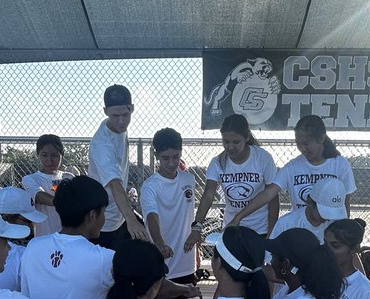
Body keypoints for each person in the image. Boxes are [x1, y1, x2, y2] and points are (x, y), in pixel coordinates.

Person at [229, 113, 356, 225]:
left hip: (328, 233)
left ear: (321, 139)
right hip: (300, 230)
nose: (302, 148)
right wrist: (238, 217)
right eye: (298, 143)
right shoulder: (293, 167)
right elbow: (268, 193)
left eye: (306, 143)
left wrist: (341, 233)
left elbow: (345, 203)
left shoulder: (340, 165)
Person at [188, 114, 278, 245]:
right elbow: (208, 195)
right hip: (232, 227)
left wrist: (271, 232)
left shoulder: (262, 158)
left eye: (236, 142)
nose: (230, 147)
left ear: (246, 137)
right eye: (226, 142)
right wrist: (197, 227)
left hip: (260, 228)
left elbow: (273, 197)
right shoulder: (217, 162)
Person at [89, 84, 148, 248]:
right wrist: (131, 220)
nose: (121, 121)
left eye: (125, 114)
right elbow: (115, 185)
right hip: (104, 222)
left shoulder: (119, 128)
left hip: (120, 213)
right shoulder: (102, 144)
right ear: (105, 111)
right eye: (115, 116)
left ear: (132, 108)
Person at [140, 127, 198, 284]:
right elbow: (151, 216)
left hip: (186, 258)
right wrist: (159, 244)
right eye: (165, 158)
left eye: (176, 157)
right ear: (156, 155)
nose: (172, 163)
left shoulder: (189, 179)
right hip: (162, 256)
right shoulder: (150, 185)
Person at [0, 186, 45, 293]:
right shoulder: (22, 255)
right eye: (27, 221)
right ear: (5, 218)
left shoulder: (23, 253)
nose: (31, 226)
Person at [21, 134, 77, 237]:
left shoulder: (68, 177)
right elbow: (40, 196)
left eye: (55, 155)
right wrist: (65, 200)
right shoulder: (30, 179)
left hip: (68, 237)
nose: (49, 160)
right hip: (44, 237)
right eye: (44, 155)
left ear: (62, 155)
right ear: (38, 155)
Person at [269, 176, 345, 242]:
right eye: (326, 212)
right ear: (310, 202)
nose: (329, 218)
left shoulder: (336, 223)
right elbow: (270, 256)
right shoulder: (286, 224)